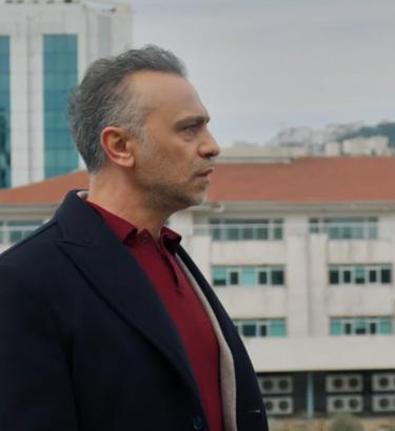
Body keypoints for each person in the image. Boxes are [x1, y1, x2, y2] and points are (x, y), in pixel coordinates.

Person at [0, 46, 268, 431]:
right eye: (189, 128)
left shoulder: (172, 257)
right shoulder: (24, 281)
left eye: (206, 126)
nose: (212, 146)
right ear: (120, 147)